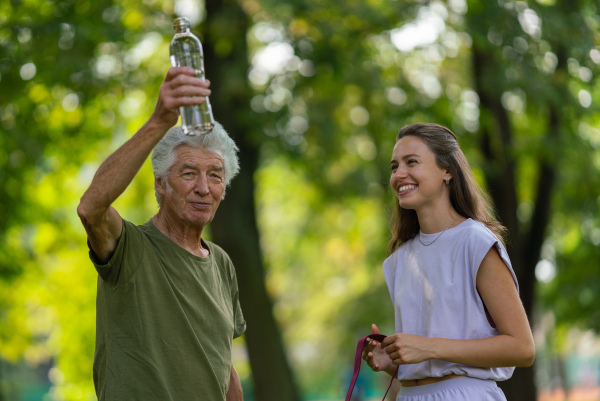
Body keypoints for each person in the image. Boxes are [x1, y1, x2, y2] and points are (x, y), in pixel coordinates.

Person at [77, 67, 246, 401]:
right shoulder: (129, 248)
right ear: (160, 183)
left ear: (223, 189)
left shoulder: (222, 264)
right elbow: (90, 208)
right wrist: (159, 120)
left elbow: (222, 366)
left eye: (214, 175)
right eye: (188, 173)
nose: (203, 188)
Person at [361, 123, 535, 400]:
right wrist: (392, 360)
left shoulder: (475, 242)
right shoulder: (399, 260)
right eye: (394, 166)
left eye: (412, 162)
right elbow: (429, 359)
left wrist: (428, 347)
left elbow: (522, 349)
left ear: (448, 170)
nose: (399, 174)